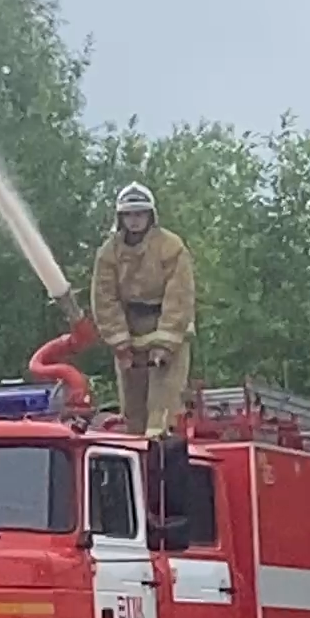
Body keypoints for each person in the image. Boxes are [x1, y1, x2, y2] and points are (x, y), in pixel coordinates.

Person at [91, 181, 196, 437]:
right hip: (129, 331)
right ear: (120, 217)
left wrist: (165, 345)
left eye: (140, 213)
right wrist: (120, 344)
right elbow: (104, 299)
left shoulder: (171, 246)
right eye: (129, 214)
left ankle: (162, 459)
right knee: (133, 413)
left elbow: (179, 296)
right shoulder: (108, 253)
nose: (135, 220)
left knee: (164, 407)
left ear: (151, 215)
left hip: (166, 329)